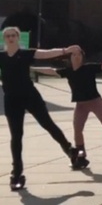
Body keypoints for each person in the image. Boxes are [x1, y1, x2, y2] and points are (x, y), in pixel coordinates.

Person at [1, 27, 84, 191]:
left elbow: (46, 53)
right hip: (11, 100)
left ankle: (69, 150)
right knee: (16, 137)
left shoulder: (26, 54)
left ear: (18, 38)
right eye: (7, 36)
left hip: (30, 96)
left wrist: (65, 50)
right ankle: (16, 174)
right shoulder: (1, 57)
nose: (11, 38)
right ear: (4, 39)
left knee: (48, 124)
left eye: (13, 35)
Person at [31, 47, 102, 168]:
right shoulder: (68, 71)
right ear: (70, 57)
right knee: (77, 129)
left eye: (79, 55)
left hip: (95, 102)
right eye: (73, 55)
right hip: (81, 105)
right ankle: (81, 158)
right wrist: (31, 68)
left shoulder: (89, 68)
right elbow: (51, 71)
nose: (76, 57)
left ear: (82, 57)